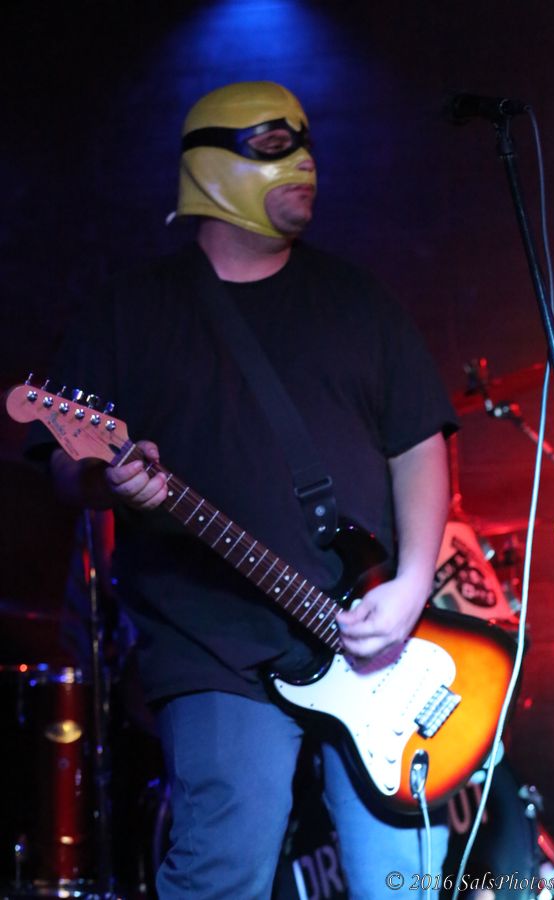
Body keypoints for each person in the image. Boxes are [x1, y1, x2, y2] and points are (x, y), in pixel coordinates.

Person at [33, 81, 457, 898]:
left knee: (404, 880)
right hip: (212, 646)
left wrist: (410, 587)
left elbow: (420, 445)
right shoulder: (131, 312)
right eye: (272, 145)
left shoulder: (357, 300)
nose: (303, 162)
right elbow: (62, 466)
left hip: (373, 637)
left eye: (306, 143)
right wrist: (108, 478)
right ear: (207, 165)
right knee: (224, 869)